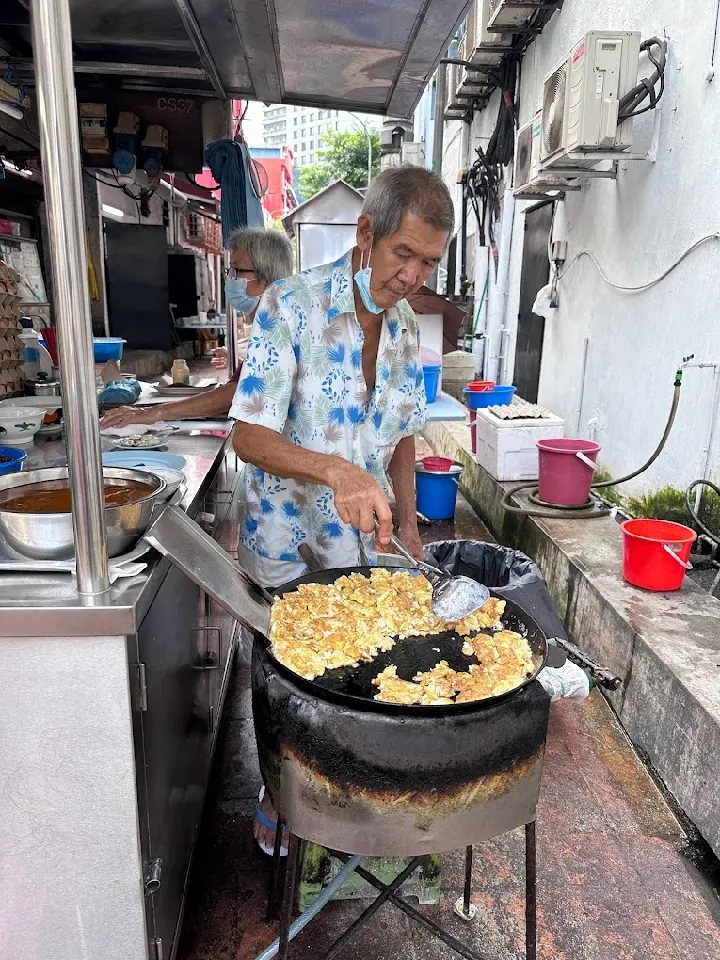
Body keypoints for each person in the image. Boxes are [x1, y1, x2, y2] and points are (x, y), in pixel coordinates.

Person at [229, 165, 455, 854]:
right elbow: (248, 433)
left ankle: (345, 799)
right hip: (286, 543)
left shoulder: (407, 326)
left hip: (361, 551)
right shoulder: (290, 307)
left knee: (352, 682)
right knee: (288, 692)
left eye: (429, 262)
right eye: (403, 254)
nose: (413, 275)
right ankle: (280, 793)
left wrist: (412, 524)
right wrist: (335, 470)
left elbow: (401, 434)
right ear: (366, 234)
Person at [100, 227, 294, 429]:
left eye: (237, 270)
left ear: (267, 280)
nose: (230, 278)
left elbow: (235, 393)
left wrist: (152, 413)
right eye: (230, 271)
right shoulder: (267, 324)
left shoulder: (277, 326)